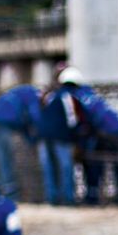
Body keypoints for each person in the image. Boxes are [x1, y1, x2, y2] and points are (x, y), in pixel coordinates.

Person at [57, 68, 118, 206]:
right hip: (117, 129)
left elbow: (82, 123)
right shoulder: (89, 93)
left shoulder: (72, 98)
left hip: (103, 132)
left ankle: (93, 197)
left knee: (94, 162)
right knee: (116, 162)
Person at [0, 83, 45, 200]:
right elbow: (35, 117)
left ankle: (10, 193)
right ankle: (11, 196)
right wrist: (41, 133)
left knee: (5, 159)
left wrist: (32, 141)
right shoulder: (33, 94)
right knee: (5, 159)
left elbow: (23, 126)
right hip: (0, 124)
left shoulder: (22, 97)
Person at [37, 64, 77, 206]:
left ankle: (68, 198)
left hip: (61, 137)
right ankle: (52, 198)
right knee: (48, 168)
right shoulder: (49, 94)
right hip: (45, 137)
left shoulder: (66, 95)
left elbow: (72, 118)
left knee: (65, 167)